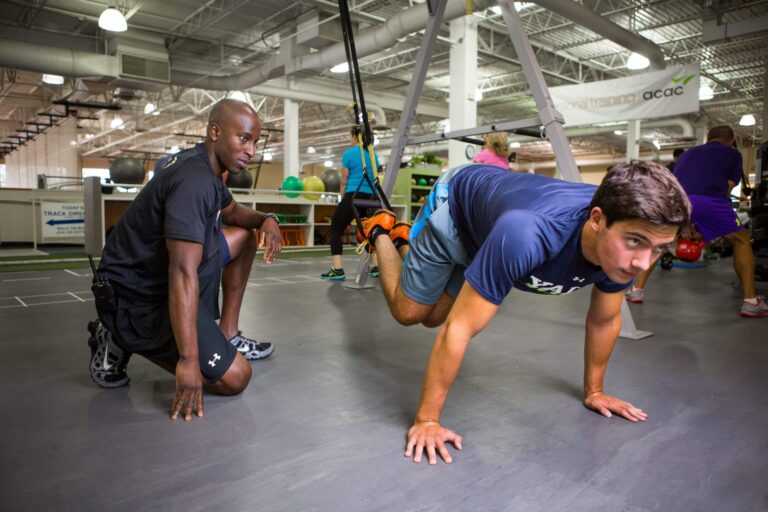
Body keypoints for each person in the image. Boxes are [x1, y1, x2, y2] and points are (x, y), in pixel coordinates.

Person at [356, 161, 690, 464]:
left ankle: (406, 244)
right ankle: (382, 231)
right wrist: (427, 420)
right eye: (635, 242)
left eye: (658, 248)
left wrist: (595, 391)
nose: (644, 263)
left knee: (434, 317)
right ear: (598, 219)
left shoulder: (620, 245)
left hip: (491, 227)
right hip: (458, 207)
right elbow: (460, 329)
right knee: (411, 311)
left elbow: (604, 319)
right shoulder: (528, 234)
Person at [88, 99, 283, 421]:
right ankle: (118, 336)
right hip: (138, 295)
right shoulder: (194, 181)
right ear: (215, 132)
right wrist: (188, 361)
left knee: (244, 236)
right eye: (244, 138)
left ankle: (228, 333)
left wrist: (267, 218)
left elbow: (232, 212)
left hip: (159, 273)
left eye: (255, 142)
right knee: (235, 378)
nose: (251, 150)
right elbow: (182, 272)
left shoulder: (205, 166)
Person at [631, 125, 767, 317]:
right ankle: (751, 302)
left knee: (660, 242)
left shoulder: (689, 153)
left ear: (709, 138)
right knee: (741, 240)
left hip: (676, 200)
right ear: (731, 140)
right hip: (709, 199)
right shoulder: (732, 153)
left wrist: (691, 221)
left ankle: (636, 290)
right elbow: (728, 187)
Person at [321, 126, 382, 280]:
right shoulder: (374, 156)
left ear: (356, 137)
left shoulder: (349, 154)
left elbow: (343, 180)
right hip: (370, 198)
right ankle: (375, 266)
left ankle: (337, 269)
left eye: (351, 136)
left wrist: (342, 200)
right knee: (367, 231)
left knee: (335, 228)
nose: (350, 139)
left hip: (353, 196)